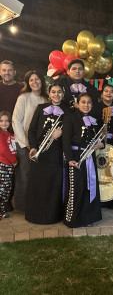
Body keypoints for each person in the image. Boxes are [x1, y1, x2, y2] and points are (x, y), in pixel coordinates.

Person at [25, 82, 68, 224]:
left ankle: (52, 216)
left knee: (53, 185)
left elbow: (72, 131)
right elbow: (31, 130)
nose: (56, 95)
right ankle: (35, 215)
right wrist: (33, 147)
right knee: (38, 185)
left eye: (59, 92)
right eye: (53, 92)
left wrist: (62, 131)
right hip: (40, 153)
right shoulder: (41, 108)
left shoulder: (68, 111)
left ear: (63, 93)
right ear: (49, 94)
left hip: (56, 154)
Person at [62, 92, 103, 228]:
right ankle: (73, 219)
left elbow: (99, 138)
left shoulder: (94, 119)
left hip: (90, 157)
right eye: (83, 102)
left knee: (89, 187)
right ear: (77, 104)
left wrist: (101, 144)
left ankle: (88, 217)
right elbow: (66, 140)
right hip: (76, 158)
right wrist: (69, 159)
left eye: (89, 102)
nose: (86, 105)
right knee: (76, 188)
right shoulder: (70, 117)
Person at [12, 70, 48, 212]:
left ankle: (36, 204)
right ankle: (23, 207)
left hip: (41, 144)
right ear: (27, 83)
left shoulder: (47, 99)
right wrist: (26, 143)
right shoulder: (24, 98)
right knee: (24, 175)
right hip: (24, 143)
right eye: (31, 80)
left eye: (37, 79)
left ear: (42, 81)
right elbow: (16, 121)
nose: (35, 82)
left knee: (38, 175)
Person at [0, 60, 23, 212]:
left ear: (14, 72)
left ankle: (8, 200)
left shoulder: (21, 87)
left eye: (9, 70)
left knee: (14, 166)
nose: (6, 73)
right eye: (3, 70)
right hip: (1, 130)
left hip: (15, 132)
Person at [97, 84, 113, 209]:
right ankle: (101, 198)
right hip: (100, 143)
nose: (108, 93)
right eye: (106, 91)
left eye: (111, 91)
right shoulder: (96, 108)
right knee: (100, 168)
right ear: (102, 94)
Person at [0, 111, 17, 219]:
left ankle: (2, 210)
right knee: (2, 190)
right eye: (1, 121)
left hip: (10, 166)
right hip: (3, 165)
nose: (4, 123)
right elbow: (3, 150)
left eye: (7, 121)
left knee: (6, 190)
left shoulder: (11, 135)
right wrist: (14, 160)